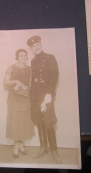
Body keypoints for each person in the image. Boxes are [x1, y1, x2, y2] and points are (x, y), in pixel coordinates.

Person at [27, 35, 61, 163]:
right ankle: (43, 148)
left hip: (46, 96)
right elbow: (34, 81)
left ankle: (54, 150)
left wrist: (49, 93)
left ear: (40, 44)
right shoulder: (33, 61)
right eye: (33, 46)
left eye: (37, 45)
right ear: (31, 48)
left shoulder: (50, 58)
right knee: (40, 122)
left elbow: (54, 76)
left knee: (48, 122)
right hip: (35, 96)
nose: (35, 47)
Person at [3, 49, 34, 158]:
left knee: (24, 122)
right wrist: (16, 81)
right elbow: (5, 82)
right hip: (14, 98)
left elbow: (32, 83)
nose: (24, 58)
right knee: (16, 122)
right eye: (21, 56)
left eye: (25, 56)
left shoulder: (30, 69)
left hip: (25, 98)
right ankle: (16, 146)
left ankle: (20, 145)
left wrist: (27, 88)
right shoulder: (11, 68)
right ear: (17, 57)